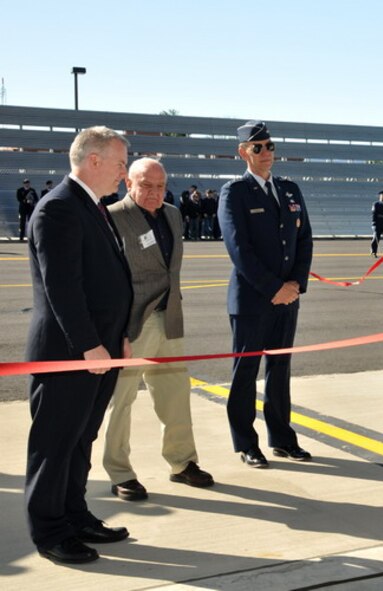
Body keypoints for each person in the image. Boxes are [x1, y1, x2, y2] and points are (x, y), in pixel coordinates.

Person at [25, 126, 133, 564]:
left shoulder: (92, 207)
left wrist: (117, 336)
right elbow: (62, 288)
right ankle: (50, 531)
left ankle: (74, 514)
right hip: (69, 354)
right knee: (55, 444)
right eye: (121, 163)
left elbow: (105, 282)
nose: (124, 173)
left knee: (80, 439)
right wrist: (90, 345)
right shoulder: (59, 209)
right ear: (94, 160)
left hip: (99, 350)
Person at [103, 158, 214, 502]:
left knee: (175, 395)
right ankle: (120, 471)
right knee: (121, 402)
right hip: (132, 324)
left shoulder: (173, 214)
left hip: (170, 319)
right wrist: (115, 329)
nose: (154, 193)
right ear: (128, 184)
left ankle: (182, 463)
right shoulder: (113, 217)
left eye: (160, 186)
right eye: (146, 185)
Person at [218, 120, 313, 468]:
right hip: (252, 300)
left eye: (270, 146)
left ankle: (282, 438)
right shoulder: (235, 193)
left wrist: (295, 286)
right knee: (245, 373)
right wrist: (274, 288)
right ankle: (245, 443)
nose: (266, 153)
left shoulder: (289, 189)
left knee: (280, 368)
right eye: (258, 147)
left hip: (287, 300)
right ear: (243, 152)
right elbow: (239, 249)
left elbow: (304, 240)